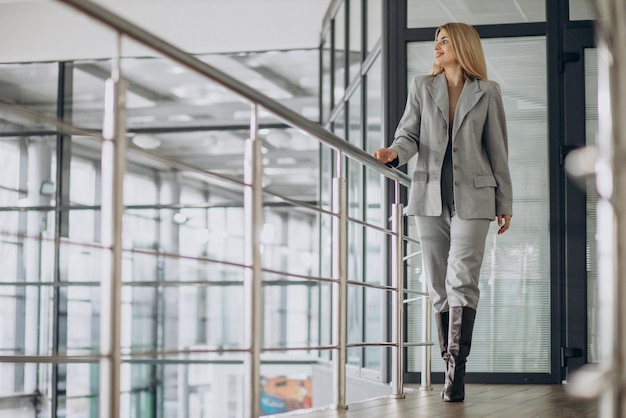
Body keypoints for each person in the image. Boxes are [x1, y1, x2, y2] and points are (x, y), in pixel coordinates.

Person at [373, 22, 512, 402]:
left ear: (463, 46)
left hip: (476, 197)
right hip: (428, 195)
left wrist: (505, 202)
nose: (437, 47)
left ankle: (457, 368)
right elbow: (408, 135)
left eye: (445, 41)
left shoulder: (487, 92)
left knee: (461, 279)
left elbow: (497, 149)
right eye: (436, 41)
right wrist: (393, 154)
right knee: (437, 285)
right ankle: (448, 362)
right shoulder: (422, 86)